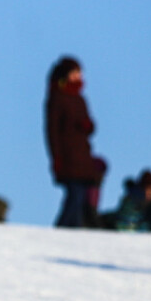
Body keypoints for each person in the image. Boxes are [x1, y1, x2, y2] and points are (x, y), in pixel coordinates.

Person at [44, 56, 104, 228]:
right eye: (75, 73)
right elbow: (52, 132)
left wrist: (88, 126)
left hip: (82, 156)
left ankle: (72, 230)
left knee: (80, 197)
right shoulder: (56, 98)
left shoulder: (80, 99)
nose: (79, 76)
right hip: (67, 157)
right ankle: (65, 230)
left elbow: (89, 125)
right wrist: (56, 158)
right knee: (75, 196)